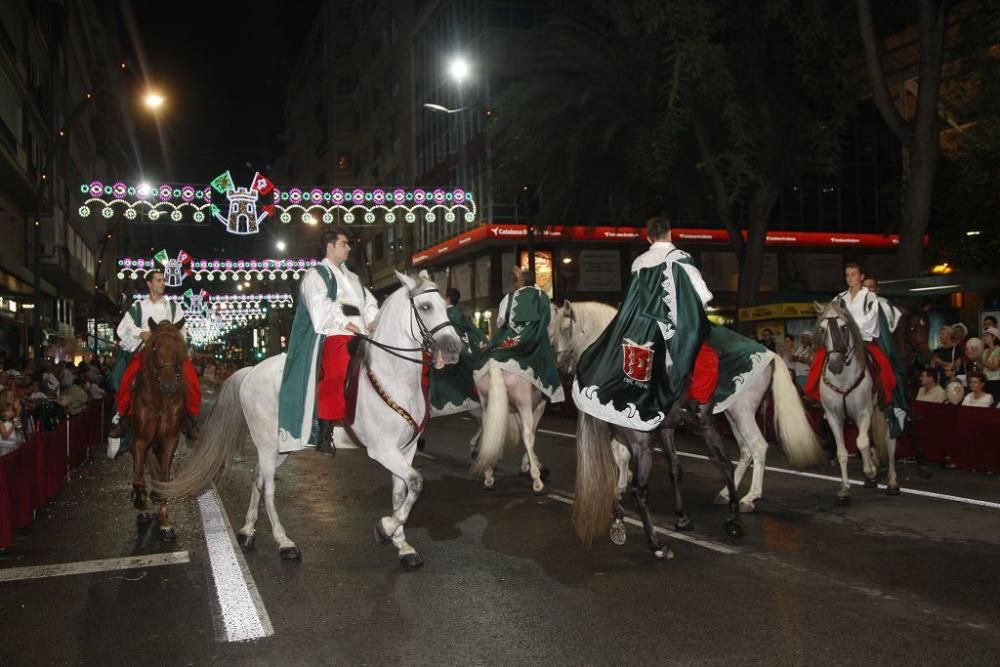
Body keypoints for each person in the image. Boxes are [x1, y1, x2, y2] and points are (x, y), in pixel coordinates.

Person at [573, 216, 729, 430]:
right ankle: (693, 406)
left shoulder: (639, 262)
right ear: (670, 232)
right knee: (708, 360)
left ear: (648, 238)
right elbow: (704, 295)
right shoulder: (681, 258)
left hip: (643, 330)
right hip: (673, 330)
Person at [278, 229, 378, 455]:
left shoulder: (353, 277)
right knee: (336, 373)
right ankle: (324, 432)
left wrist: (373, 320)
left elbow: (368, 303)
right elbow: (320, 309)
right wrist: (345, 323)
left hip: (363, 335)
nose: (349, 248)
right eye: (344, 244)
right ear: (330, 246)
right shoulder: (316, 275)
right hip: (335, 334)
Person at [107, 269, 201, 445]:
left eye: (163, 280)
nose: (162, 283)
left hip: (169, 354)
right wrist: (140, 332)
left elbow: (182, 332)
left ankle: (190, 419)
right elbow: (123, 328)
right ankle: (120, 417)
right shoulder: (138, 307)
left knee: (192, 379)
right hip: (147, 352)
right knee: (126, 378)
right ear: (149, 284)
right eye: (159, 280)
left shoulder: (174, 307)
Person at [805, 264, 896, 411]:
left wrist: (850, 330)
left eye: (853, 274)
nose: (850, 278)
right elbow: (831, 316)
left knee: (883, 362)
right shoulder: (839, 297)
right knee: (819, 358)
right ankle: (815, 394)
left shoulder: (870, 298)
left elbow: (870, 322)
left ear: (861, 277)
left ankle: (885, 395)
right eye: (847, 275)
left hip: (863, 340)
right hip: (840, 339)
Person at [473, 265, 564, 403]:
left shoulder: (509, 298)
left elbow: (500, 322)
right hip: (535, 342)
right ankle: (550, 396)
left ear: (520, 282)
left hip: (511, 341)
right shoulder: (543, 297)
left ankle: (479, 395)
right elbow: (549, 322)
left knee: (485, 356)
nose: (516, 283)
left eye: (517, 280)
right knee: (548, 364)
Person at [430, 287, 486, 416]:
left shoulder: (445, 314)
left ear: (447, 298)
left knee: (439, 372)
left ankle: (441, 401)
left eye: (444, 297)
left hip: (449, 348)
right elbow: (472, 329)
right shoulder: (460, 313)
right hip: (465, 348)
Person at [981, 326, 1000, 400]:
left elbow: (994, 367)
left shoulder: (998, 349)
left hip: (996, 382)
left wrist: (981, 360)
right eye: (984, 336)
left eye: (987, 336)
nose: (984, 338)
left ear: (994, 337)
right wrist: (975, 359)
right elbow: (983, 368)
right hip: (986, 380)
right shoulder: (985, 351)